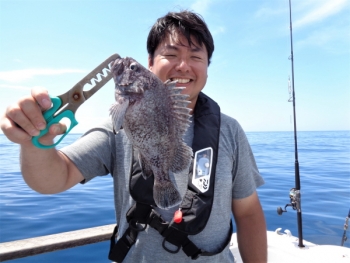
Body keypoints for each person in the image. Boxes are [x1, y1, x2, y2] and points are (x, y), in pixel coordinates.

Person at [0, 10, 267, 263]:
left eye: (196, 57)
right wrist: (35, 142)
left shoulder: (229, 131)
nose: (184, 66)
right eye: (171, 54)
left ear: (207, 67)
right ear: (150, 63)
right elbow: (54, 178)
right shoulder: (117, 125)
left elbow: (248, 213)